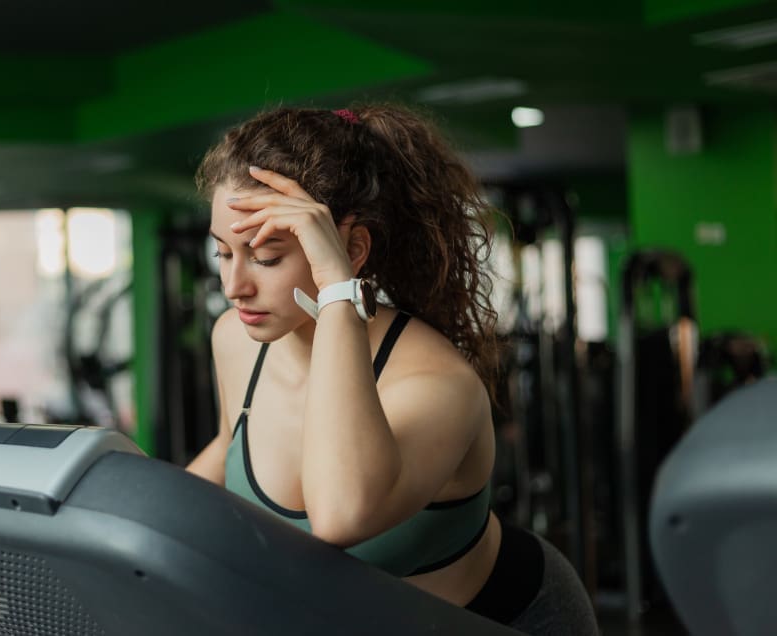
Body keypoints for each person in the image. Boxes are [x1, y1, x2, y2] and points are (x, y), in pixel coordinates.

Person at [186, 104, 599, 635]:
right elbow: (228, 452)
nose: (234, 285)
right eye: (223, 253)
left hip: (503, 621)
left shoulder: (437, 384)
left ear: (351, 249)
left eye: (265, 257)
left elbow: (340, 515)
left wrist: (337, 290)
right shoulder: (236, 340)